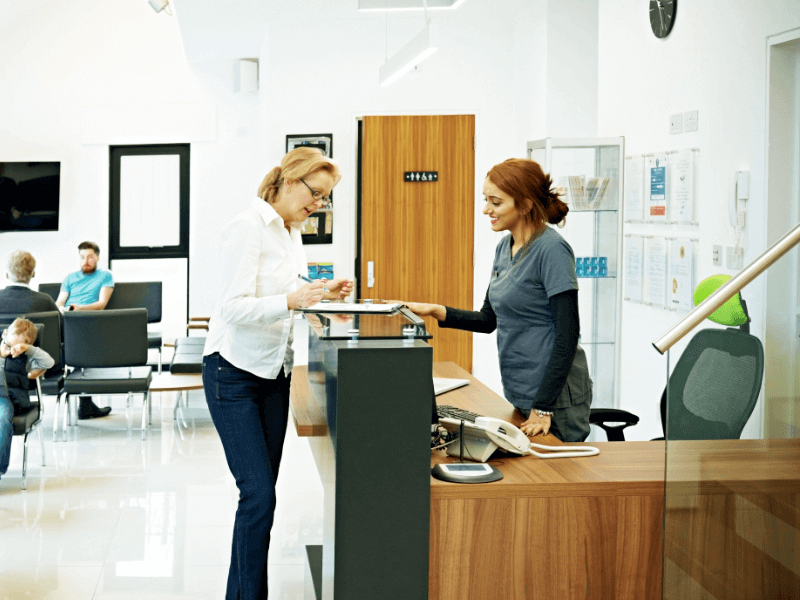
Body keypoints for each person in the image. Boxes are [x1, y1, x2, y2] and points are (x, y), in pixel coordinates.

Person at [202, 146, 353, 600]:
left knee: (261, 503)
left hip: (274, 373)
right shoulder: (247, 227)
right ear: (290, 181)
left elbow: (287, 294)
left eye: (325, 199)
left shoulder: (291, 231)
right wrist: (293, 301)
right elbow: (232, 308)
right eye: (316, 194)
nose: (318, 206)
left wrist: (319, 296)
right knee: (258, 496)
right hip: (233, 373)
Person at [399, 158, 593, 442]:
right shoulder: (505, 246)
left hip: (554, 400)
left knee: (554, 478)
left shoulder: (552, 250)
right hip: (520, 389)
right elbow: (489, 319)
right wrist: (435, 310)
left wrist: (543, 407)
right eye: (486, 200)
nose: (486, 209)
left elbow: (567, 333)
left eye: (496, 202)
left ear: (525, 205)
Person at [56, 241, 114, 419]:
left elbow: (101, 304)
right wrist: (64, 310)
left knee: (82, 343)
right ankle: (85, 404)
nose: (86, 261)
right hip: (68, 320)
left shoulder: (105, 276)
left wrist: (79, 309)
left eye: (90, 257)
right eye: (82, 257)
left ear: (97, 257)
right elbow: (59, 302)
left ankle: (85, 403)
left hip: (89, 320)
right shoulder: (70, 278)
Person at [0, 318, 54, 483]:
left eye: (16, 348)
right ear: (3, 335)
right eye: (8, 346)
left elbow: (48, 362)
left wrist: (29, 350)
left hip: (6, 398)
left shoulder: (26, 357)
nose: (11, 351)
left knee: (2, 418)